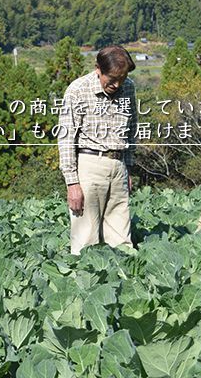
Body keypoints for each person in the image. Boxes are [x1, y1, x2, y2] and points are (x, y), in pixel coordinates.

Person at [58, 45, 137, 255]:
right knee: (86, 238)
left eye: (122, 78)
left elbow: (132, 128)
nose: (117, 84)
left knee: (122, 237)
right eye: (112, 78)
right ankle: (84, 284)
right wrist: (72, 182)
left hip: (118, 165)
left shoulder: (128, 87)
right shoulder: (78, 90)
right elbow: (66, 138)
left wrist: (128, 167)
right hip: (89, 164)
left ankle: (125, 282)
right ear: (98, 69)